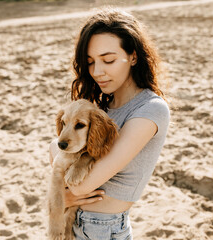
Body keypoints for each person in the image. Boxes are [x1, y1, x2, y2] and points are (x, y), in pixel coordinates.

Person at [49, 7, 170, 240]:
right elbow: (62, 157)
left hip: (102, 229)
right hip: (74, 223)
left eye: (108, 60)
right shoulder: (100, 108)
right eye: (91, 62)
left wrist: (65, 182)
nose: (97, 71)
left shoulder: (150, 110)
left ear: (133, 56)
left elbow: (79, 185)